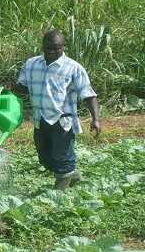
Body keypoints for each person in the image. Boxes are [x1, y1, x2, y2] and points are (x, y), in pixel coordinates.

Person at [13, 29, 101, 190]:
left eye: (57, 48)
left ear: (64, 47)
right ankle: (73, 176)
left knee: (62, 158)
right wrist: (10, 89)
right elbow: (22, 86)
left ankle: (58, 196)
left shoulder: (73, 68)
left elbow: (88, 95)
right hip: (40, 119)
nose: (52, 51)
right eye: (48, 48)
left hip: (62, 120)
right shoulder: (32, 64)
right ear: (42, 46)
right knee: (45, 159)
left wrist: (95, 119)